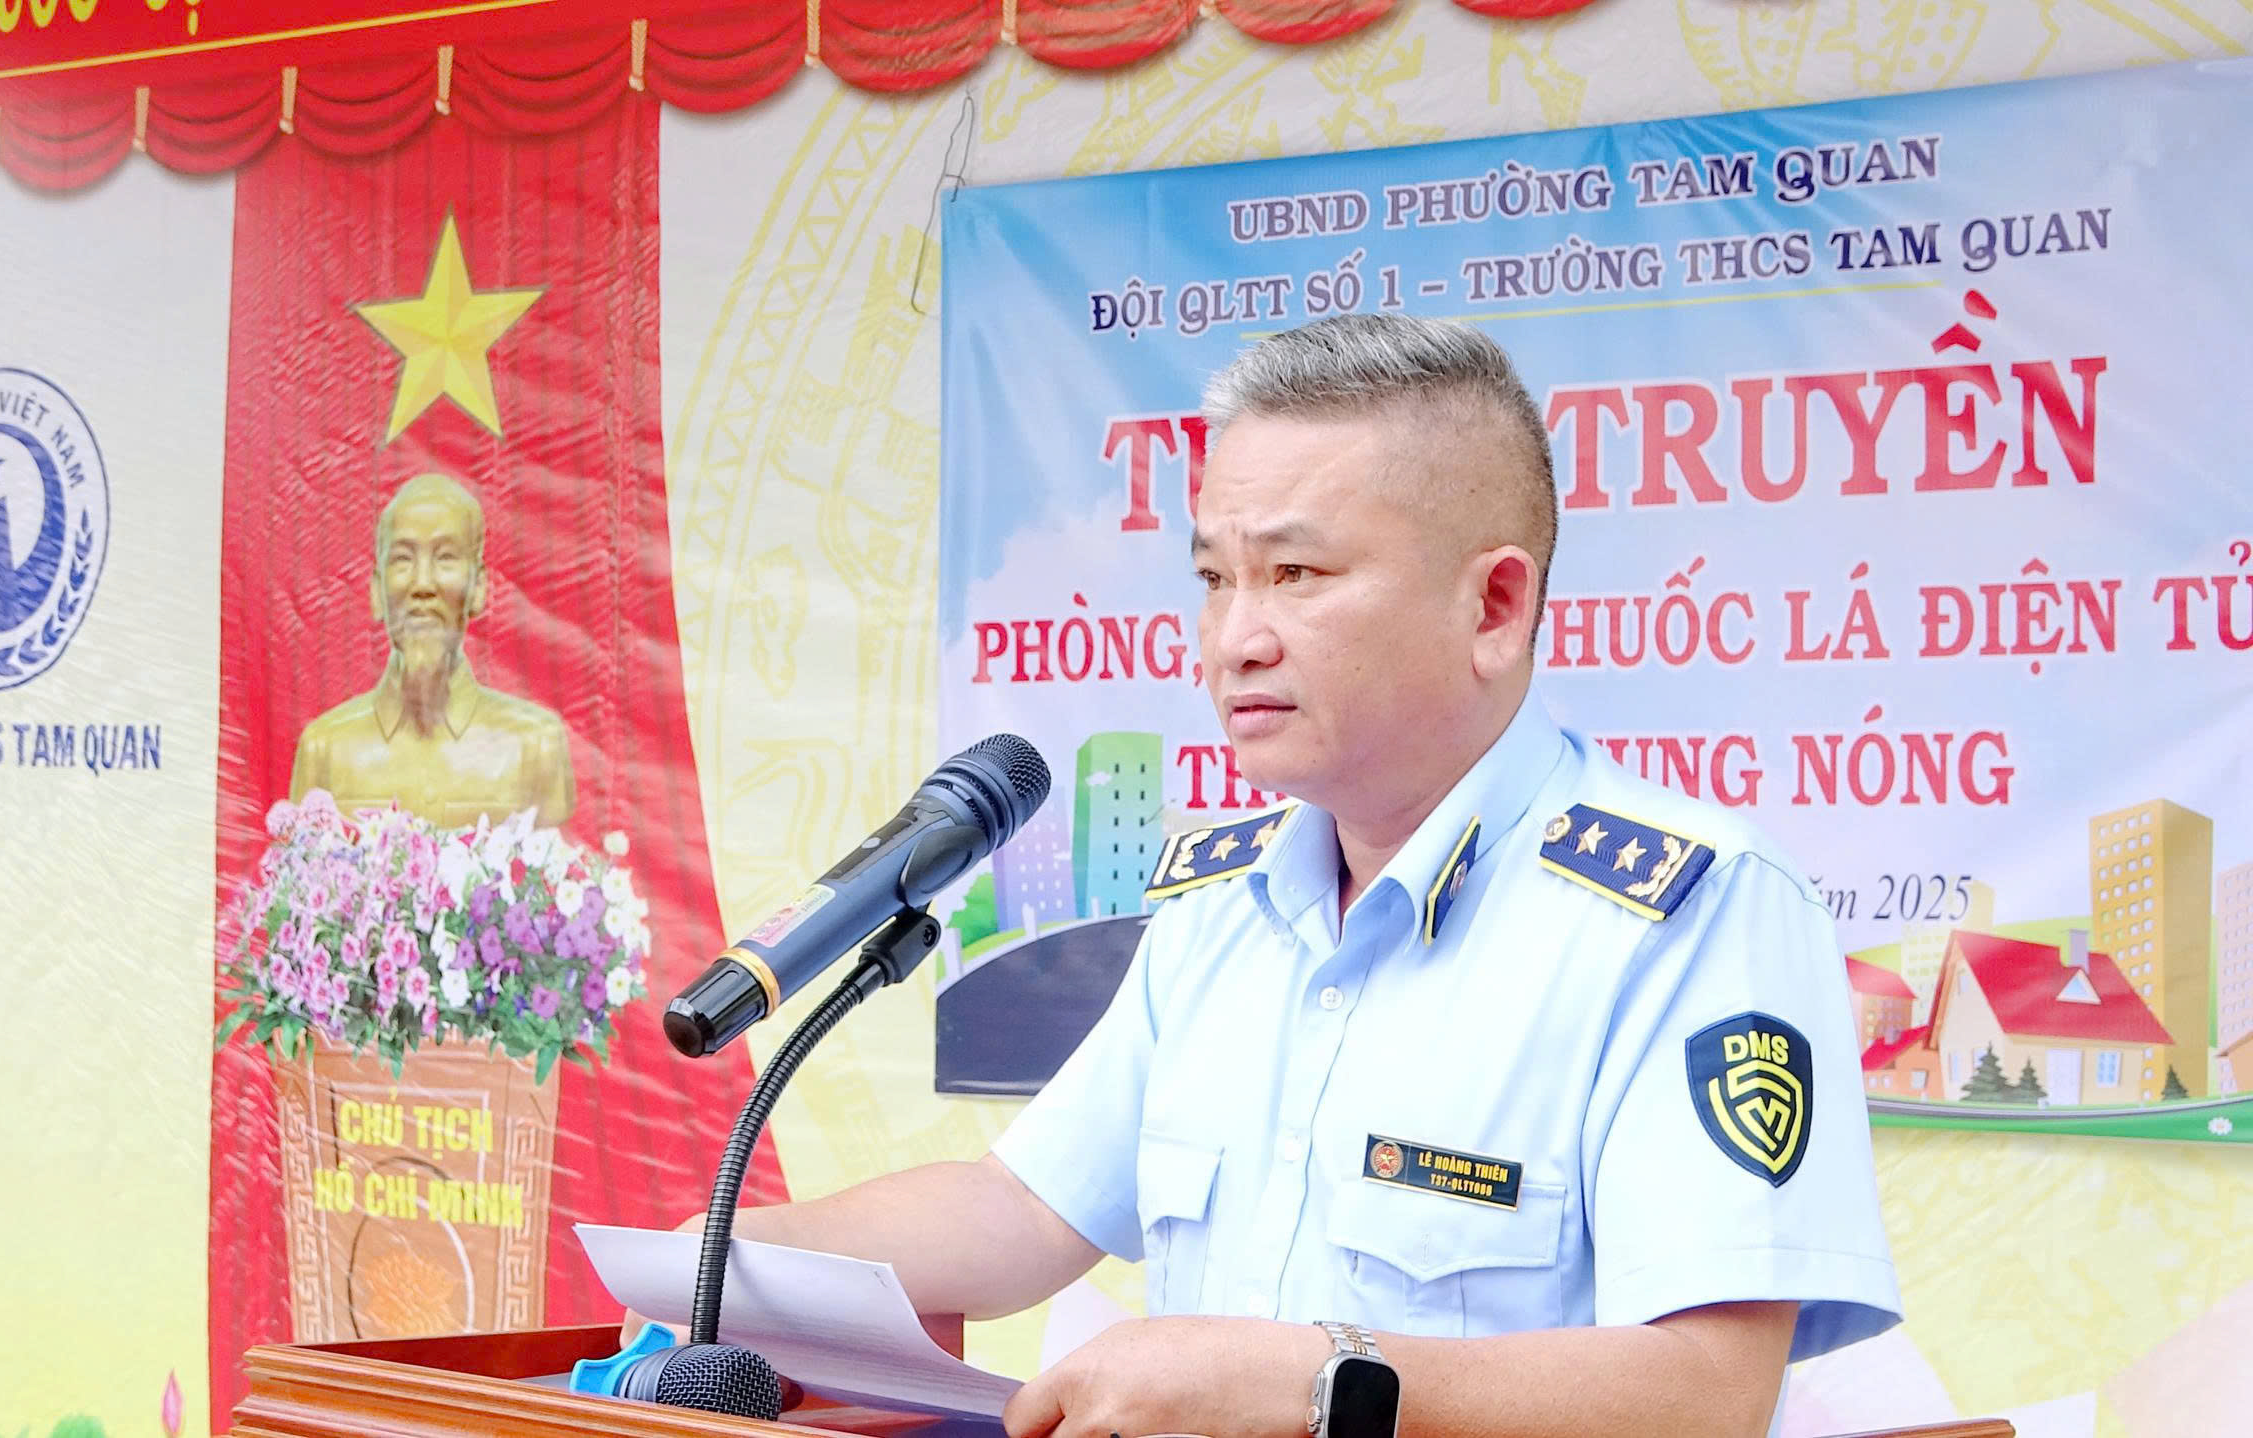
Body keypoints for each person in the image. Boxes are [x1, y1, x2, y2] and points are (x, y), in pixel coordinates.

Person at [675, 316, 1898, 1438]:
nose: (1234, 638)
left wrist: (1318, 1377)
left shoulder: (1691, 911)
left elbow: (1707, 1391)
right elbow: (1024, 1211)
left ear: (1494, 605)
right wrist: (726, 1254)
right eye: (1215, 578)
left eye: (1296, 576)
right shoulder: (1222, 903)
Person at [289, 471, 576, 829]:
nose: (422, 584)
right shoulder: (325, 749)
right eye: (403, 559)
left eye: (446, 558)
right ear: (377, 591)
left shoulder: (536, 746)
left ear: (479, 588)